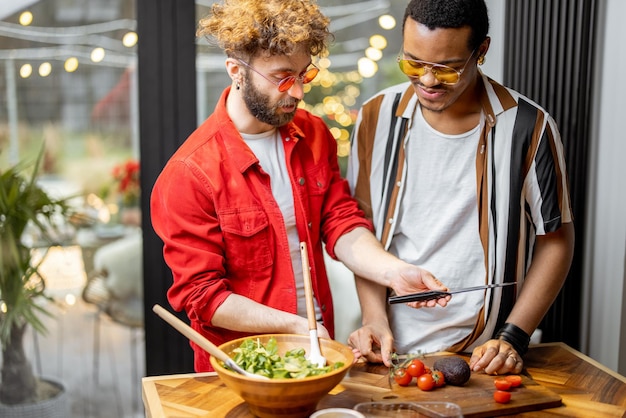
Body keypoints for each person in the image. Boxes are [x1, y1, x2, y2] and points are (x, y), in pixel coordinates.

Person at [150, 0, 449, 372]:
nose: (298, 93)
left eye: (304, 75)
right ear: (236, 71)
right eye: (282, 77)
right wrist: (296, 326)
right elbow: (204, 296)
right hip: (243, 369)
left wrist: (393, 272)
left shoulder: (314, 134)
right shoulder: (189, 173)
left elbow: (341, 223)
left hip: (318, 356)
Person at [346, 0, 575, 375]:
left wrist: (513, 336)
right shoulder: (375, 117)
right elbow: (363, 232)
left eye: (447, 70)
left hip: (485, 355)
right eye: (413, 63)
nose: (428, 81)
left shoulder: (529, 128)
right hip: (389, 350)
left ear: (480, 51)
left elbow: (556, 238)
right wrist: (374, 319)